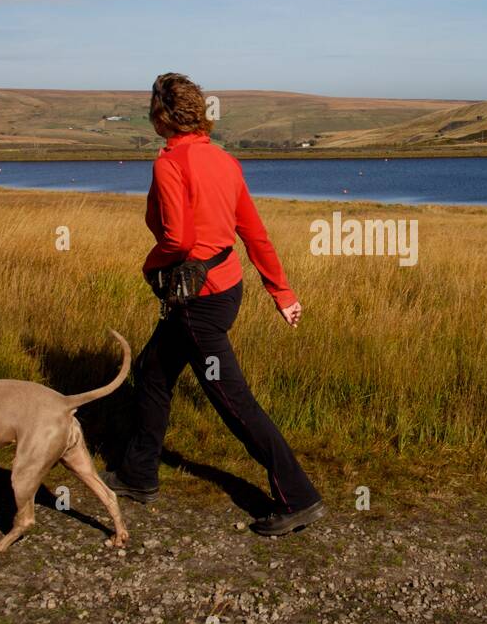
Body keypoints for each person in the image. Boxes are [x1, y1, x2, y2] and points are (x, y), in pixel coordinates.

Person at [102, 72, 325, 536]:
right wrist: (281, 292)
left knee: (234, 402)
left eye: (151, 109)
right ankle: (138, 475)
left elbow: (178, 238)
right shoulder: (224, 160)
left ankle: (298, 496)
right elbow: (253, 232)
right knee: (153, 373)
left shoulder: (169, 163)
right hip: (225, 289)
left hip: (195, 301)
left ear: (162, 116)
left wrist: (152, 266)